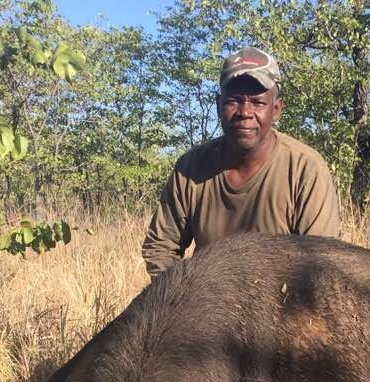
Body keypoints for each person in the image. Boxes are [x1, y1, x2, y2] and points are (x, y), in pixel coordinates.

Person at [142, 47, 340, 276]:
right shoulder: (190, 167)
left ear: (276, 109)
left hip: (283, 306)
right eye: (234, 101)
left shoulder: (306, 169)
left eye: (257, 102)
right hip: (205, 301)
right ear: (218, 104)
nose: (244, 112)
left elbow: (320, 264)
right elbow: (160, 247)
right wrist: (180, 299)